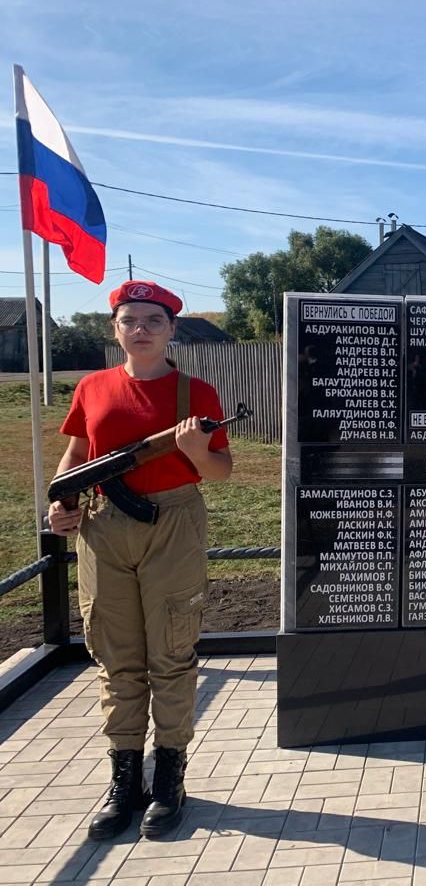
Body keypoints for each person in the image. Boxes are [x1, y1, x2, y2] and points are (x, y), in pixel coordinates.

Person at [47, 281, 232, 840]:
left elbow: (222, 471)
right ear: (116, 329)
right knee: (116, 655)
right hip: (104, 526)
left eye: (155, 320)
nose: (143, 329)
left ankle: (170, 774)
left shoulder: (194, 393)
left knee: (171, 653)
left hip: (172, 523)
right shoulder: (93, 386)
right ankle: (125, 777)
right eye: (131, 320)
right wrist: (61, 501)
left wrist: (198, 452)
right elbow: (78, 456)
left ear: (172, 329)